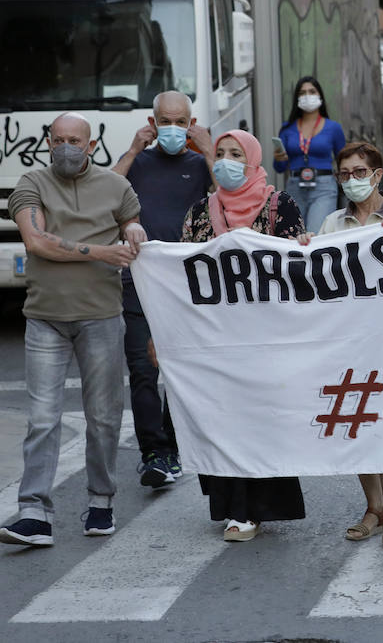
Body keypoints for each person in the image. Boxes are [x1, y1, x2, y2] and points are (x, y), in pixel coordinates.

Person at [0, 113, 146, 547]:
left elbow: (131, 223)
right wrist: (101, 251)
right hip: (45, 318)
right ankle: (34, 514)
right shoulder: (31, 184)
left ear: (91, 145)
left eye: (75, 141)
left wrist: (133, 228)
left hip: (101, 317)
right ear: (48, 142)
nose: (66, 147)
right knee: (43, 420)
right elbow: (36, 241)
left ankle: (101, 503)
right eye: (59, 139)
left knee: (103, 418)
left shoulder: (116, 187)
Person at [181, 130, 307, 542]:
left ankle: (257, 506)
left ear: (253, 161)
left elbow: (295, 267)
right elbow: (182, 271)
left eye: (236, 154)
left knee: (259, 419)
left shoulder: (279, 206)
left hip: (266, 336)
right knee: (222, 420)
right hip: (215, 337)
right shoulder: (200, 211)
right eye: (220, 153)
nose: (226, 161)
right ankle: (236, 508)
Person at [312, 141, 383, 547]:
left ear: (377, 175)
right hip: (350, 337)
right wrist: (306, 246)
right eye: (344, 174)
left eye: (360, 172)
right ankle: (372, 507)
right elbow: (316, 273)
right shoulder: (332, 223)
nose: (352, 180)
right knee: (357, 420)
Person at [111, 92, 213, 489]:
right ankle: (153, 452)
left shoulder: (200, 164)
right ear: (153, 123)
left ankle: (174, 445)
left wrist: (207, 149)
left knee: (179, 365)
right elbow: (104, 192)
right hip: (139, 278)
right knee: (143, 368)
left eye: (180, 121)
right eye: (165, 121)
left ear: (191, 123)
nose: (173, 128)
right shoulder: (138, 162)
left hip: (186, 281)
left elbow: (233, 196)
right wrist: (134, 149)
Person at [273, 76, 346, 234]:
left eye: (312, 91)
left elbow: (344, 160)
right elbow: (279, 168)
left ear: (320, 95)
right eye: (302, 93)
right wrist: (279, 159)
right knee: (294, 234)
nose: (307, 96)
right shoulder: (287, 128)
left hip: (324, 187)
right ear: (297, 98)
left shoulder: (334, 128)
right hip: (294, 185)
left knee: (316, 235)